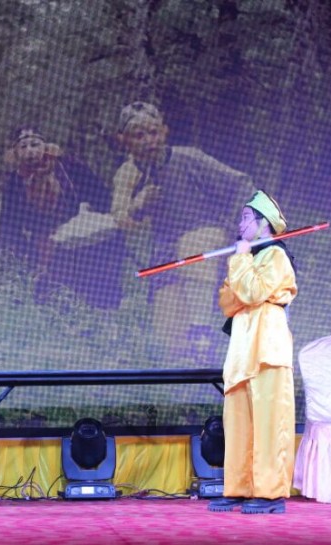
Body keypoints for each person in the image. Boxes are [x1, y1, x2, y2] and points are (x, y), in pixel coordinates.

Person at [111, 101, 255, 363]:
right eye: (139, 135)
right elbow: (120, 218)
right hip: (165, 255)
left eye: (153, 132)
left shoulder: (189, 158)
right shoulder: (127, 174)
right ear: (123, 140)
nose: (148, 141)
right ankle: (193, 365)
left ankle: (202, 334)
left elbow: (240, 184)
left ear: (164, 131)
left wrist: (237, 229)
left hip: (211, 238)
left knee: (192, 246)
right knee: (173, 342)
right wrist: (138, 205)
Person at [208, 190, 297, 515]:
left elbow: (253, 291)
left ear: (264, 223)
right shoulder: (247, 258)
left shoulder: (276, 256)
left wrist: (241, 261)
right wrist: (242, 265)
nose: (240, 223)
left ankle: (270, 494)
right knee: (239, 424)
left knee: (269, 425)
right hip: (241, 351)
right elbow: (228, 301)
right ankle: (240, 488)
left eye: (246, 217)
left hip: (267, 349)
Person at [0, 126, 123, 308]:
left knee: (100, 290)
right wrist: (25, 252)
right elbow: (9, 226)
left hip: (84, 233)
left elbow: (100, 194)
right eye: (23, 147)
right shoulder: (14, 184)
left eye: (35, 144)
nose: (30, 151)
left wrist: (91, 213)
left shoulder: (70, 167)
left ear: (45, 147)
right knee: (58, 297)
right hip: (47, 244)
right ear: (15, 153)